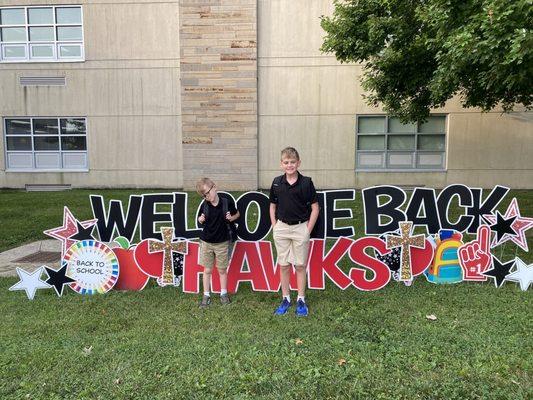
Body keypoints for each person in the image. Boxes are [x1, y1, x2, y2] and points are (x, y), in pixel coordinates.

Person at [269, 147, 319, 316]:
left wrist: (307, 230)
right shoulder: (277, 182)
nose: (289, 165)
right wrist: (275, 225)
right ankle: (285, 298)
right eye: (286, 162)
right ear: (281, 164)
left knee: (300, 265)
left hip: (300, 228)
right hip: (282, 228)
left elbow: (315, 208)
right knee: (283, 265)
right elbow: (272, 206)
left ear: (298, 163)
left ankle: (301, 299)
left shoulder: (306, 182)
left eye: (292, 162)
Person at [196, 177, 240, 308]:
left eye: (208, 193)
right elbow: (200, 219)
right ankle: (206, 294)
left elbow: (237, 214)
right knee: (207, 269)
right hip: (207, 242)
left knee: (222, 269)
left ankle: (223, 293)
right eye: (204, 196)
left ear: (214, 187)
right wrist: (201, 219)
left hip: (222, 242)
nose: (207, 197)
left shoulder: (227, 203)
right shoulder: (204, 206)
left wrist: (231, 218)